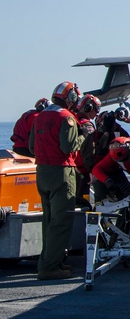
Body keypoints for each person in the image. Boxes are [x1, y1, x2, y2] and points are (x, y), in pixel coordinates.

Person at [28, 82, 85, 280]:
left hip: (42, 172)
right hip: (61, 172)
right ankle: (49, 267)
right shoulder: (66, 117)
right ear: (70, 98)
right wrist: (84, 135)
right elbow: (68, 146)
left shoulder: (40, 117)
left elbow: (31, 147)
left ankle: (53, 261)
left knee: (49, 220)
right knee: (61, 221)